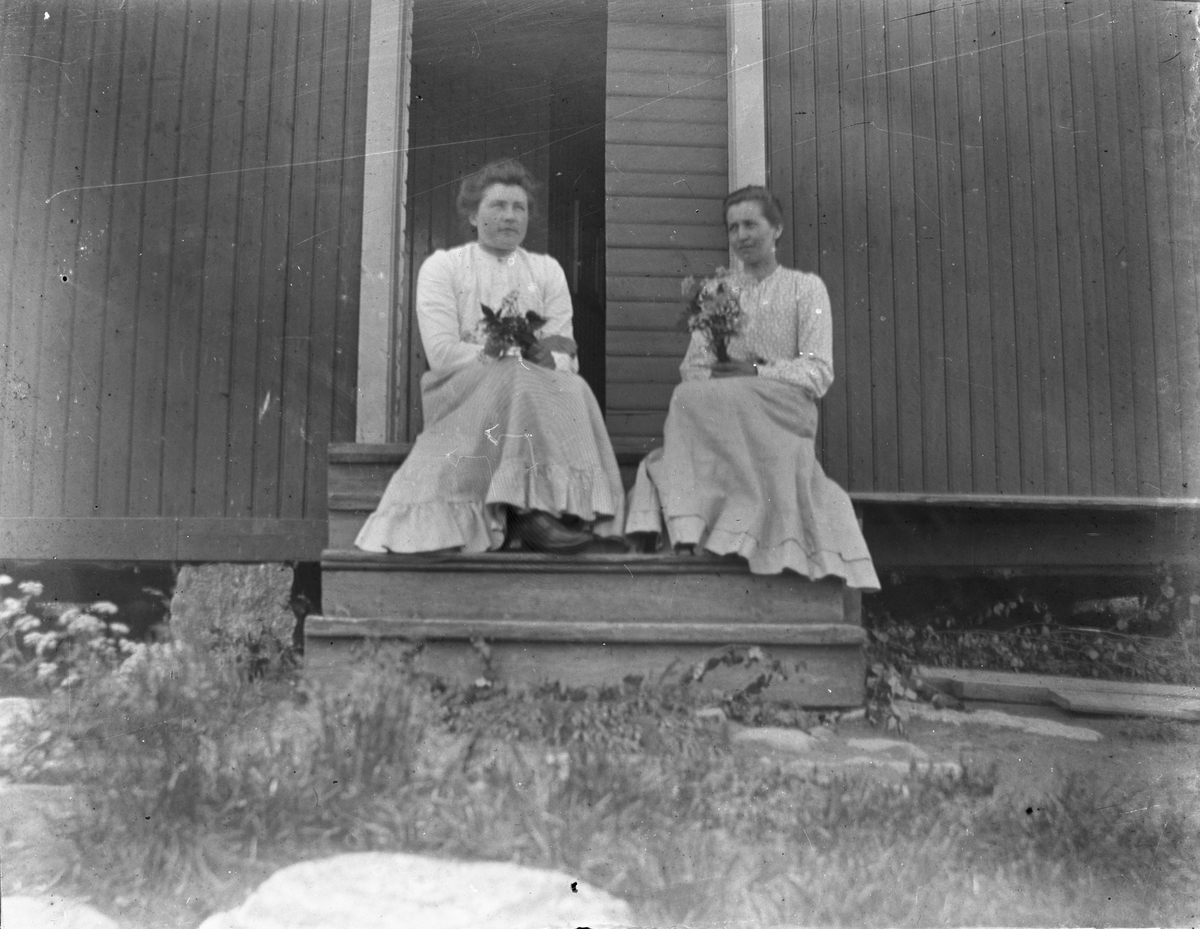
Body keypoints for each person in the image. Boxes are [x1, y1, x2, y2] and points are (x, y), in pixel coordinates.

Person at [356, 159, 625, 555]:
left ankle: (559, 508)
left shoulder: (547, 270)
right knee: (515, 376)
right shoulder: (444, 268)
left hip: (528, 387)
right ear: (472, 214)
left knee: (575, 387)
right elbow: (442, 353)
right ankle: (526, 517)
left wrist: (549, 358)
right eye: (498, 205)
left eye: (519, 207)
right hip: (461, 393)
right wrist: (502, 354)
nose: (510, 216)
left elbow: (564, 350)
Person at [625, 186, 879, 589]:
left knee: (726, 395)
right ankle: (694, 526)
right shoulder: (717, 293)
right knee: (685, 396)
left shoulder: (805, 288)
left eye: (750, 224)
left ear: (776, 229)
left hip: (782, 404)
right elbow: (693, 366)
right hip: (728, 401)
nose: (741, 235)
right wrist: (720, 376)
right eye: (733, 228)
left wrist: (757, 371)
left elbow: (818, 372)